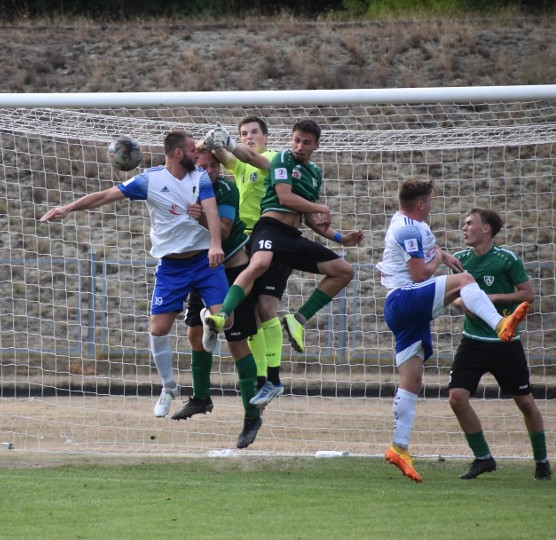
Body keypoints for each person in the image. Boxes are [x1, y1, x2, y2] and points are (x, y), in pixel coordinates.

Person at [40, 130, 228, 419]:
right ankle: (169, 387)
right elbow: (105, 196)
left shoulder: (200, 179)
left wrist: (215, 243)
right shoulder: (149, 180)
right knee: (157, 330)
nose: (197, 154)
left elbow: (212, 213)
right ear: (178, 153)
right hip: (171, 267)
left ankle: (210, 322)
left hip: (204, 262)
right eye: (192, 150)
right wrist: (68, 207)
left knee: (228, 319)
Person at [376, 180, 530, 483]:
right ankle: (499, 323)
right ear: (421, 204)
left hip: (406, 310)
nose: (432, 206)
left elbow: (419, 258)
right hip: (403, 299)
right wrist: (439, 258)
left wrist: (441, 254)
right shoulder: (409, 228)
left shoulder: (403, 221)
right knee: (464, 280)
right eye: (430, 201)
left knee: (412, 380)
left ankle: (399, 447)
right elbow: (421, 273)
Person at [203, 119, 364, 401]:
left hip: (291, 236)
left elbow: (312, 219)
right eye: (296, 140)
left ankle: (298, 320)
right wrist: (219, 142)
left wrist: (340, 239)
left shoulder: (314, 172)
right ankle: (221, 316)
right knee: (259, 274)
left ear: (316, 145)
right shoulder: (282, 158)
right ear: (289, 139)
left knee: (343, 270)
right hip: (267, 230)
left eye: (306, 142)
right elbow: (283, 195)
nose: (299, 146)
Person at [448, 207, 549, 481]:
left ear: (486, 229)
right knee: (457, 398)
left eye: (470, 223)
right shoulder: (459, 260)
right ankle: (483, 458)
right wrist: (461, 303)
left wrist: (490, 299)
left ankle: (541, 461)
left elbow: (528, 294)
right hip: (472, 342)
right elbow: (451, 295)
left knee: (525, 402)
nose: (464, 228)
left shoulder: (507, 259)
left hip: (505, 342)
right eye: (464, 224)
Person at [183, 144, 262, 448]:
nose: (210, 172)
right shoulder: (184, 187)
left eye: (214, 166)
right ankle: (201, 397)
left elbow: (225, 231)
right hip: (202, 270)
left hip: (232, 269)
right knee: (193, 334)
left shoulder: (226, 189)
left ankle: (251, 416)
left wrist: (201, 216)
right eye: (203, 167)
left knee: (236, 342)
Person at [209, 116, 292, 404]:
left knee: (267, 307)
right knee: (252, 315)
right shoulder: (241, 161)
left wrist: (228, 143)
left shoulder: (275, 158)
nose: (249, 137)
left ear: (267, 137)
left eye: (254, 132)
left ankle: (274, 378)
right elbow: (222, 155)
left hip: (273, 237)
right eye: (243, 133)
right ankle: (261, 379)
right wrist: (211, 139)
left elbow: (254, 160)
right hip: (246, 243)